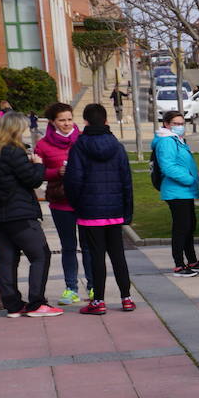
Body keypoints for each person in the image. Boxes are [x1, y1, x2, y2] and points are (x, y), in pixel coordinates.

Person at [0, 112, 61, 317]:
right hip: (19, 213)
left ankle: (13, 305)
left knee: (7, 258)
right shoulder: (13, 151)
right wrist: (38, 164)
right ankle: (37, 303)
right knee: (40, 255)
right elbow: (32, 180)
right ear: (16, 129)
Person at [64, 104, 135, 315]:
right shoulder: (117, 146)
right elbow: (127, 181)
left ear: (85, 121)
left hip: (90, 212)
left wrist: (77, 205)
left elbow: (73, 180)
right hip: (114, 212)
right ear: (105, 121)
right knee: (118, 255)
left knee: (96, 257)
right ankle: (126, 298)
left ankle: (99, 301)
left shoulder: (79, 146)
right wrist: (127, 211)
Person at [34, 102, 90, 303]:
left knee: (88, 245)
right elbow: (37, 174)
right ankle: (71, 288)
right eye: (62, 120)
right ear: (52, 122)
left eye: (69, 119)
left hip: (84, 201)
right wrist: (55, 172)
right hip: (60, 202)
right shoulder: (43, 145)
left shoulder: (84, 140)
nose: (67, 124)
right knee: (68, 246)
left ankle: (93, 286)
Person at [151, 110, 199, 276]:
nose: (180, 127)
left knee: (189, 226)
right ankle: (179, 264)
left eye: (182, 124)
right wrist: (190, 179)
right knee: (181, 228)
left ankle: (192, 261)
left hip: (184, 190)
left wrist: (195, 175)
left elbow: (180, 163)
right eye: (176, 124)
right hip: (177, 191)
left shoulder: (177, 140)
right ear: (167, 125)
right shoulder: (167, 141)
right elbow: (168, 167)